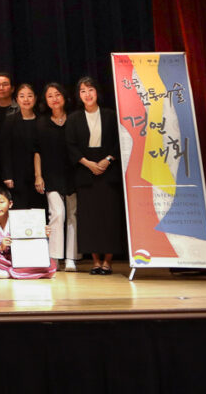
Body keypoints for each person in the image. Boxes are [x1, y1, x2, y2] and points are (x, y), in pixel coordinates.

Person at [66, 77, 125, 275]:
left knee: (110, 217)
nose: (87, 94)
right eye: (83, 91)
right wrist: (87, 163)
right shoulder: (74, 118)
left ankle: (107, 261)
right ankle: (95, 261)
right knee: (89, 218)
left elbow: (120, 140)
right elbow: (70, 145)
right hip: (85, 172)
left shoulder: (110, 115)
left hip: (109, 170)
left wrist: (108, 159)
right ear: (79, 95)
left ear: (97, 92)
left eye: (90, 89)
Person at [35, 82, 78, 271]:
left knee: (73, 215)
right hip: (51, 174)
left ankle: (71, 258)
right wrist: (38, 175)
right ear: (45, 100)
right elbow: (37, 151)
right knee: (57, 213)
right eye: (50, 96)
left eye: (57, 94)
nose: (54, 99)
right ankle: (54, 257)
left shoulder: (74, 118)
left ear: (64, 97)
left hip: (74, 172)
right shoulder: (41, 122)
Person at [0, 187, 56, 279]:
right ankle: (19, 273)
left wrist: (42, 235)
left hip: (21, 258)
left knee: (50, 265)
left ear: (10, 204)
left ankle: (6, 273)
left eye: (1, 202)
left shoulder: (21, 218)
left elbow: (32, 244)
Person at [0, 83, 41, 210]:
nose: (26, 99)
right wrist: (7, 175)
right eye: (22, 96)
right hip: (17, 173)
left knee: (38, 208)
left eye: (30, 96)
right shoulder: (10, 120)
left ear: (35, 98)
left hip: (39, 173)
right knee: (20, 208)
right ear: (17, 99)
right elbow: (5, 150)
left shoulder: (41, 120)